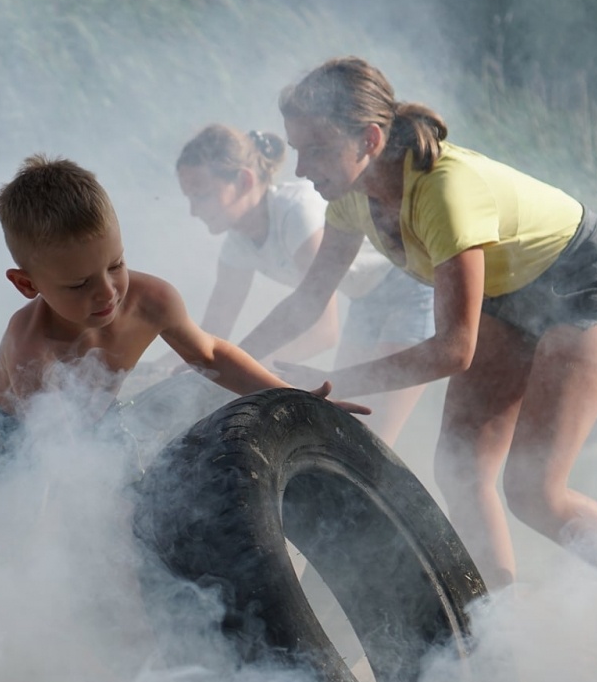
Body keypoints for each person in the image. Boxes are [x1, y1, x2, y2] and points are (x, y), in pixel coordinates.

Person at [238, 56, 597, 647]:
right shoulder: (349, 195)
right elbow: (309, 300)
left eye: (315, 148)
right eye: (296, 149)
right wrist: (221, 357)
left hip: (582, 284)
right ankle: (497, 622)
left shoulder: (444, 191)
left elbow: (453, 350)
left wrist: (336, 381)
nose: (301, 167)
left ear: (369, 138)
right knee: (461, 466)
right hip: (509, 290)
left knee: (533, 490)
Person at [0, 154, 367, 490]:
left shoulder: (151, 301)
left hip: (98, 420)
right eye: (80, 284)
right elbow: (59, 455)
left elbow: (211, 355)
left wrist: (295, 398)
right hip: (11, 434)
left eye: (115, 264)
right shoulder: (30, 347)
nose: (107, 293)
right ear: (27, 284)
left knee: (132, 517)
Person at [176, 124, 435, 444]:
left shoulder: (296, 212)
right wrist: (166, 370)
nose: (192, 210)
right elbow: (213, 329)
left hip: (411, 288)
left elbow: (323, 330)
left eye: (201, 194)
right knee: (346, 431)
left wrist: (246, 370)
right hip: (366, 301)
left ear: (243, 180)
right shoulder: (237, 242)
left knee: (372, 439)